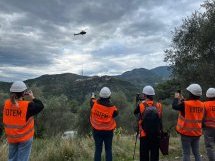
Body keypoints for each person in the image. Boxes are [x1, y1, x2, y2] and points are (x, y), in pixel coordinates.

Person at [3, 81, 44, 161]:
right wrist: (33, 97)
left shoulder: (6, 104)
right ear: (23, 93)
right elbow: (40, 105)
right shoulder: (27, 106)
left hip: (12, 137)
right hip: (25, 138)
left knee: (12, 158)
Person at [172, 83, 204, 161]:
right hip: (197, 133)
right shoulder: (202, 104)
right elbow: (192, 107)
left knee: (186, 153)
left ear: (191, 94)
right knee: (196, 153)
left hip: (186, 133)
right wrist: (183, 100)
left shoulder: (185, 104)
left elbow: (174, 106)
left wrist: (176, 96)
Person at [134, 85, 162, 161]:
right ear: (153, 95)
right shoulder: (159, 105)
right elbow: (160, 119)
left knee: (144, 155)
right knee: (154, 154)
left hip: (144, 134)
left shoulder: (141, 105)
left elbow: (135, 112)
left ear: (145, 95)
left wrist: (139, 102)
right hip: (156, 134)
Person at [90, 87, 118, 161]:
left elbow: (92, 100)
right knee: (108, 150)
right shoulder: (113, 108)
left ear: (100, 96)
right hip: (108, 131)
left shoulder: (94, 104)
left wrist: (93, 95)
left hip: (97, 131)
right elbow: (115, 114)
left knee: (98, 150)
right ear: (109, 96)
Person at [203, 88, 215, 161]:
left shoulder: (204, 104)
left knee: (209, 146)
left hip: (208, 128)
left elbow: (202, 116)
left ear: (207, 96)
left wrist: (202, 125)